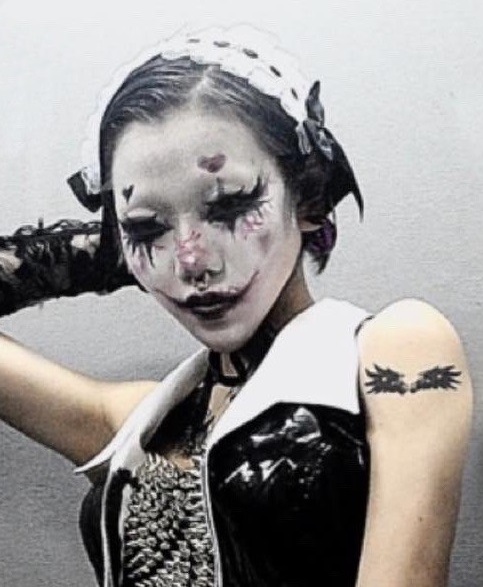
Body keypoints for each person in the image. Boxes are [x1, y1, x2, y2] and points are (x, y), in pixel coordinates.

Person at [0, 24, 473, 587]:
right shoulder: (139, 422)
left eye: (228, 207)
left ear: (309, 196)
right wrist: (119, 249)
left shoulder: (398, 350)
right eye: (147, 227)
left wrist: (152, 237)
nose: (192, 261)